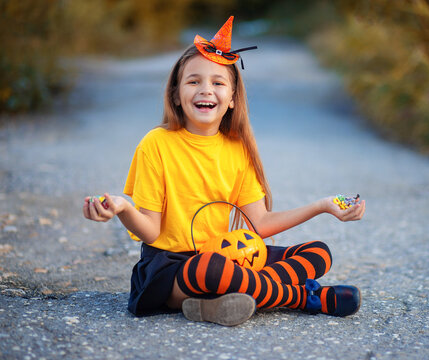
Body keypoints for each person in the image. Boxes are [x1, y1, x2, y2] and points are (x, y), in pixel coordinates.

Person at [83, 16, 366, 326]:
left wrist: (321, 206)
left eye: (218, 83)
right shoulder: (156, 144)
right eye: (194, 81)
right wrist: (124, 207)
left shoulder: (237, 148)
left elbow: (258, 224)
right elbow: (150, 230)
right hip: (173, 269)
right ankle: (301, 298)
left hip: (228, 257)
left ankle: (216, 304)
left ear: (232, 99)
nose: (206, 90)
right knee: (212, 270)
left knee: (318, 253)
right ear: (176, 94)